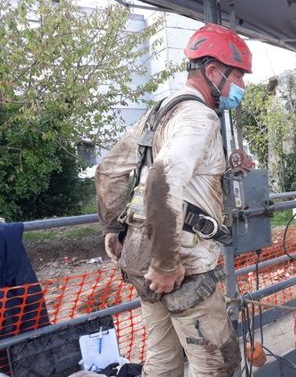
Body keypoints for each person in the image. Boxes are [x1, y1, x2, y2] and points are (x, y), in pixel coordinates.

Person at [95, 24, 251, 377]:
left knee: (163, 362)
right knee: (216, 365)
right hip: (183, 266)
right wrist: (167, 264)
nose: (241, 87)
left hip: (139, 258)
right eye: (238, 77)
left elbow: (109, 170)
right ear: (213, 72)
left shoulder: (160, 111)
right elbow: (162, 179)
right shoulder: (200, 116)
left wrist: (113, 227)